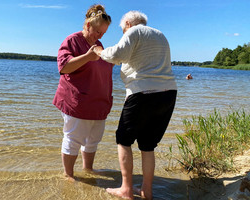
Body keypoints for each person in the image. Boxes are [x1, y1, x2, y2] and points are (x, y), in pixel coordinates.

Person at [94, 11, 177, 199]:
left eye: (123, 30)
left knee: (123, 140)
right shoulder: (160, 35)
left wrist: (99, 52)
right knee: (148, 144)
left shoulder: (134, 32)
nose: (123, 33)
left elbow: (117, 54)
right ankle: (147, 191)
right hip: (168, 94)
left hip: (144, 93)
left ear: (128, 23)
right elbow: (144, 65)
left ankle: (126, 189)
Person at [53, 4, 113, 180]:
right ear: (88, 25)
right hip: (77, 102)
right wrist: (87, 56)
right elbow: (64, 67)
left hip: (98, 103)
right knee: (73, 139)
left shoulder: (99, 44)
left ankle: (88, 169)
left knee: (93, 140)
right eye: (97, 31)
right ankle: (68, 175)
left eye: (103, 33)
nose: (100, 36)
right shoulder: (72, 40)